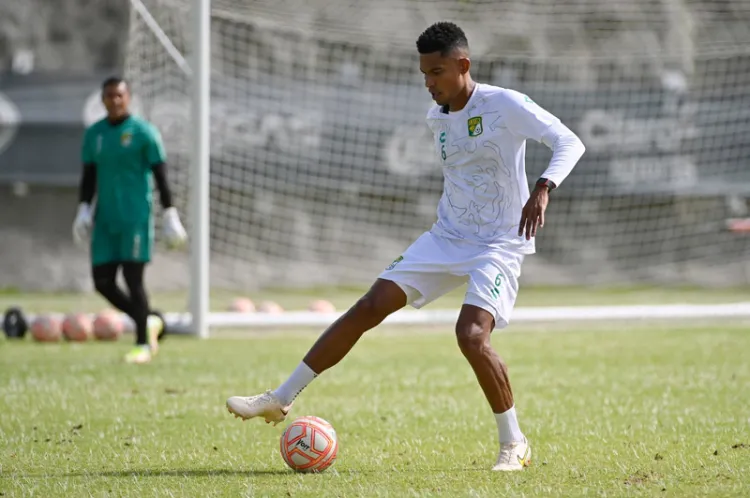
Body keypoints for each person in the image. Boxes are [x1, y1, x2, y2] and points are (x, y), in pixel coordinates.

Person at [225, 22, 585, 471]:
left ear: (463, 65)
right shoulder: (436, 117)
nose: (429, 84)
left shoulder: (505, 104)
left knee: (471, 337)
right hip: (445, 237)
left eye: (436, 72)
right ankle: (279, 398)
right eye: (423, 75)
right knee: (369, 305)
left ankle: (514, 443)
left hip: (497, 244)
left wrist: (543, 187)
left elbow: (569, 141)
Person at [72, 77, 187, 364]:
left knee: (133, 279)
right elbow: (89, 175)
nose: (114, 100)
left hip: (135, 217)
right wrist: (83, 209)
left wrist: (170, 212)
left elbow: (161, 175)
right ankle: (147, 321)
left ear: (129, 98)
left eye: (119, 95)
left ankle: (142, 344)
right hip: (106, 218)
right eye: (109, 95)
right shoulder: (95, 135)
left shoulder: (144, 133)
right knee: (102, 281)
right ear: (103, 100)